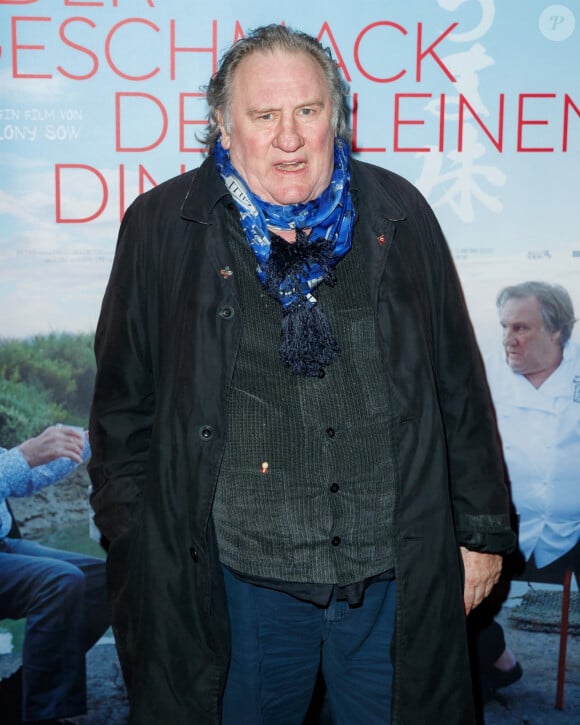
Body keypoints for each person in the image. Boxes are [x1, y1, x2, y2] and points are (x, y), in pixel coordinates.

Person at [88, 24, 515, 724]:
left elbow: (458, 385)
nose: (289, 137)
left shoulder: (400, 214)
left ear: (337, 120)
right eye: (264, 116)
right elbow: (121, 408)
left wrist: (481, 533)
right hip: (234, 588)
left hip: (393, 580)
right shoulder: (164, 225)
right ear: (225, 129)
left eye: (308, 112)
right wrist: (140, 541)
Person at [473, 281, 580, 700]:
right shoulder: (484, 375)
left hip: (574, 530)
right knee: (437, 586)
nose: (508, 340)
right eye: (504, 328)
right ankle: (493, 656)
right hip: (503, 527)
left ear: (557, 331)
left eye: (521, 328)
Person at [0, 425, 110, 725]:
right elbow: (13, 466)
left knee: (106, 580)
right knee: (60, 581)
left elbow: (24, 480)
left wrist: (83, 442)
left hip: (4, 545)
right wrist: (24, 454)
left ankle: (17, 696)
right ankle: (42, 715)